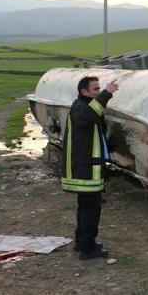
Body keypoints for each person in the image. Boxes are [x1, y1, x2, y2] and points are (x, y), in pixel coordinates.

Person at [62, 76, 119, 260]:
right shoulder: (80, 108)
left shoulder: (86, 106)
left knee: (85, 208)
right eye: (95, 89)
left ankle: (82, 242)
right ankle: (87, 248)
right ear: (84, 92)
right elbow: (88, 117)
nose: (98, 91)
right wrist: (106, 94)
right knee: (91, 210)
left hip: (89, 168)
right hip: (86, 171)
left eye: (99, 88)